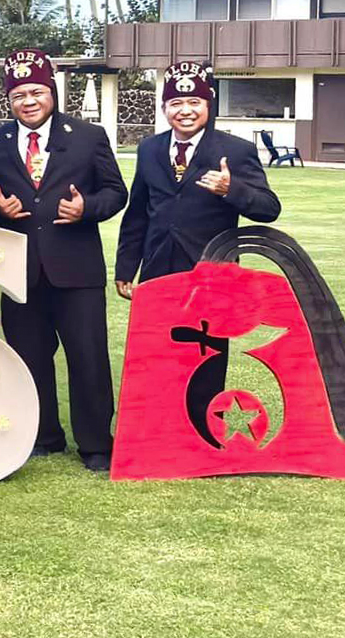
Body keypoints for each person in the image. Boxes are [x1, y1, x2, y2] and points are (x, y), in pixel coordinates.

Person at [0, 49, 128, 472]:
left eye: (37, 91)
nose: (29, 101)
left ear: (52, 92)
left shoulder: (88, 136)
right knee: (28, 357)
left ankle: (96, 443)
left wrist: (87, 208)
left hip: (76, 269)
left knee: (88, 357)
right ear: (9, 99)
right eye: (20, 94)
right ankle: (43, 434)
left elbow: (117, 192)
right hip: (17, 271)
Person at [116, 61, 281, 435]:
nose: (185, 110)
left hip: (213, 274)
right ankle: (160, 433)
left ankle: (204, 435)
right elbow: (138, 213)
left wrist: (231, 190)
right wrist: (126, 267)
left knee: (207, 360)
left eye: (193, 101)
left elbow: (269, 208)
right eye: (176, 102)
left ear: (209, 105)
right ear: (164, 108)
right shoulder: (149, 149)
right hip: (160, 271)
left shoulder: (235, 151)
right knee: (159, 355)